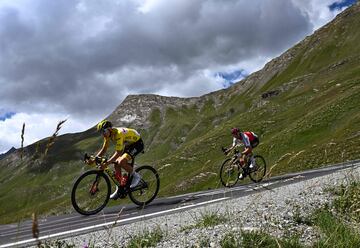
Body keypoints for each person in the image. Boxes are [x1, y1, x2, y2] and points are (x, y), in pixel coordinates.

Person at [91, 119, 144, 199]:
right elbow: (104, 149)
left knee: (121, 161)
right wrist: (95, 158)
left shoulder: (119, 134)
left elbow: (118, 152)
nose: (103, 134)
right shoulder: (108, 135)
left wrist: (106, 163)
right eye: (101, 132)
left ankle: (136, 177)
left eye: (104, 131)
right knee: (116, 164)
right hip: (128, 145)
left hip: (137, 144)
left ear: (109, 129)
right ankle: (119, 188)